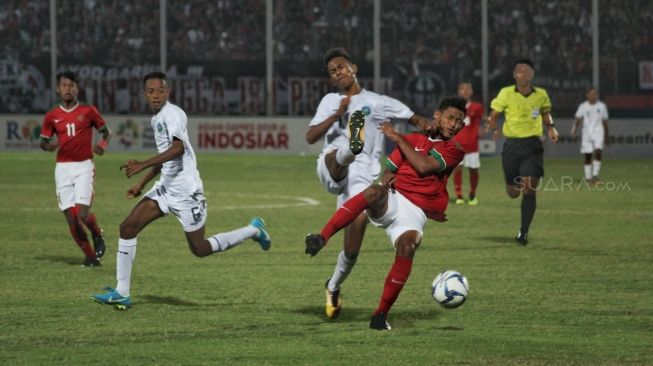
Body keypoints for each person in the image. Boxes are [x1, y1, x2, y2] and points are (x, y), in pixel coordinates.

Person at [91, 72, 271, 309]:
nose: (156, 95)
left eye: (160, 91)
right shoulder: (157, 119)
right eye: (151, 91)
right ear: (145, 94)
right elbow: (166, 157)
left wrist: (142, 164)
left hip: (187, 194)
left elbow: (177, 149)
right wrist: (142, 183)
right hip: (166, 188)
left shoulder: (173, 114)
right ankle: (122, 292)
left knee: (200, 248)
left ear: (168, 92)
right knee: (127, 227)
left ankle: (252, 230)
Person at [305, 96, 467, 330]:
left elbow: (423, 168)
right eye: (450, 118)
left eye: (459, 121)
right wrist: (388, 177)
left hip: (415, 211)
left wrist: (398, 138)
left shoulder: (454, 149)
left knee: (408, 247)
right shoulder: (412, 139)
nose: (454, 124)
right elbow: (389, 170)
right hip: (392, 198)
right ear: (437, 116)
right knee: (367, 206)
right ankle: (322, 238)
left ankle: (379, 316)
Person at [305, 47, 431, 320]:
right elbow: (311, 137)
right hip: (331, 168)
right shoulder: (330, 101)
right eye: (332, 72)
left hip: (360, 187)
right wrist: (334, 114)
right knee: (342, 156)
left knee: (351, 251)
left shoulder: (377, 101)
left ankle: (333, 285)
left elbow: (411, 116)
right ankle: (352, 146)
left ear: (354, 68)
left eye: (341, 67)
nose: (337, 73)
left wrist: (422, 122)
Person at [40, 71, 112, 267]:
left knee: (81, 214)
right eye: (63, 85)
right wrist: (49, 146)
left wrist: (102, 146)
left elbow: (106, 132)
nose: (67, 89)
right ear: (58, 89)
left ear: (77, 89)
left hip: (84, 167)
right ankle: (90, 258)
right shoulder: (52, 116)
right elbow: (43, 142)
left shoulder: (88, 111)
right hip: (62, 169)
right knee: (71, 219)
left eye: (71, 85)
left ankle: (97, 234)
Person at [487, 58, 559, 245]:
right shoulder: (506, 93)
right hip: (511, 146)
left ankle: (523, 232)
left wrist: (551, 127)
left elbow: (545, 112)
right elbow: (494, 114)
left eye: (526, 71)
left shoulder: (541, 94)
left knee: (529, 189)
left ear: (532, 74)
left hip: (533, 145)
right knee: (513, 192)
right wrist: (494, 128)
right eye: (519, 71)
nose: (522, 74)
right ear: (514, 75)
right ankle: (513, 184)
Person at [452, 82, 484, 206]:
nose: (465, 91)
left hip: (472, 145)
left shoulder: (477, 107)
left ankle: (472, 194)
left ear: (471, 92)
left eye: (467, 89)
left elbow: (484, 119)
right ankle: (459, 195)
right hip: (457, 145)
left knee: (473, 170)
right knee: (457, 169)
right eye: (462, 89)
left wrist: (485, 128)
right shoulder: (453, 108)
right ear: (458, 91)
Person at [571, 86, 609, 183]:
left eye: (595, 94)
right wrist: (574, 130)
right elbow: (578, 119)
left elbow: (605, 122)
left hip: (598, 132)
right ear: (587, 95)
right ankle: (588, 177)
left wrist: (606, 136)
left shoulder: (602, 106)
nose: (593, 96)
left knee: (598, 151)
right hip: (587, 133)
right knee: (588, 155)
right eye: (591, 94)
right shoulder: (583, 106)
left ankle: (595, 175)